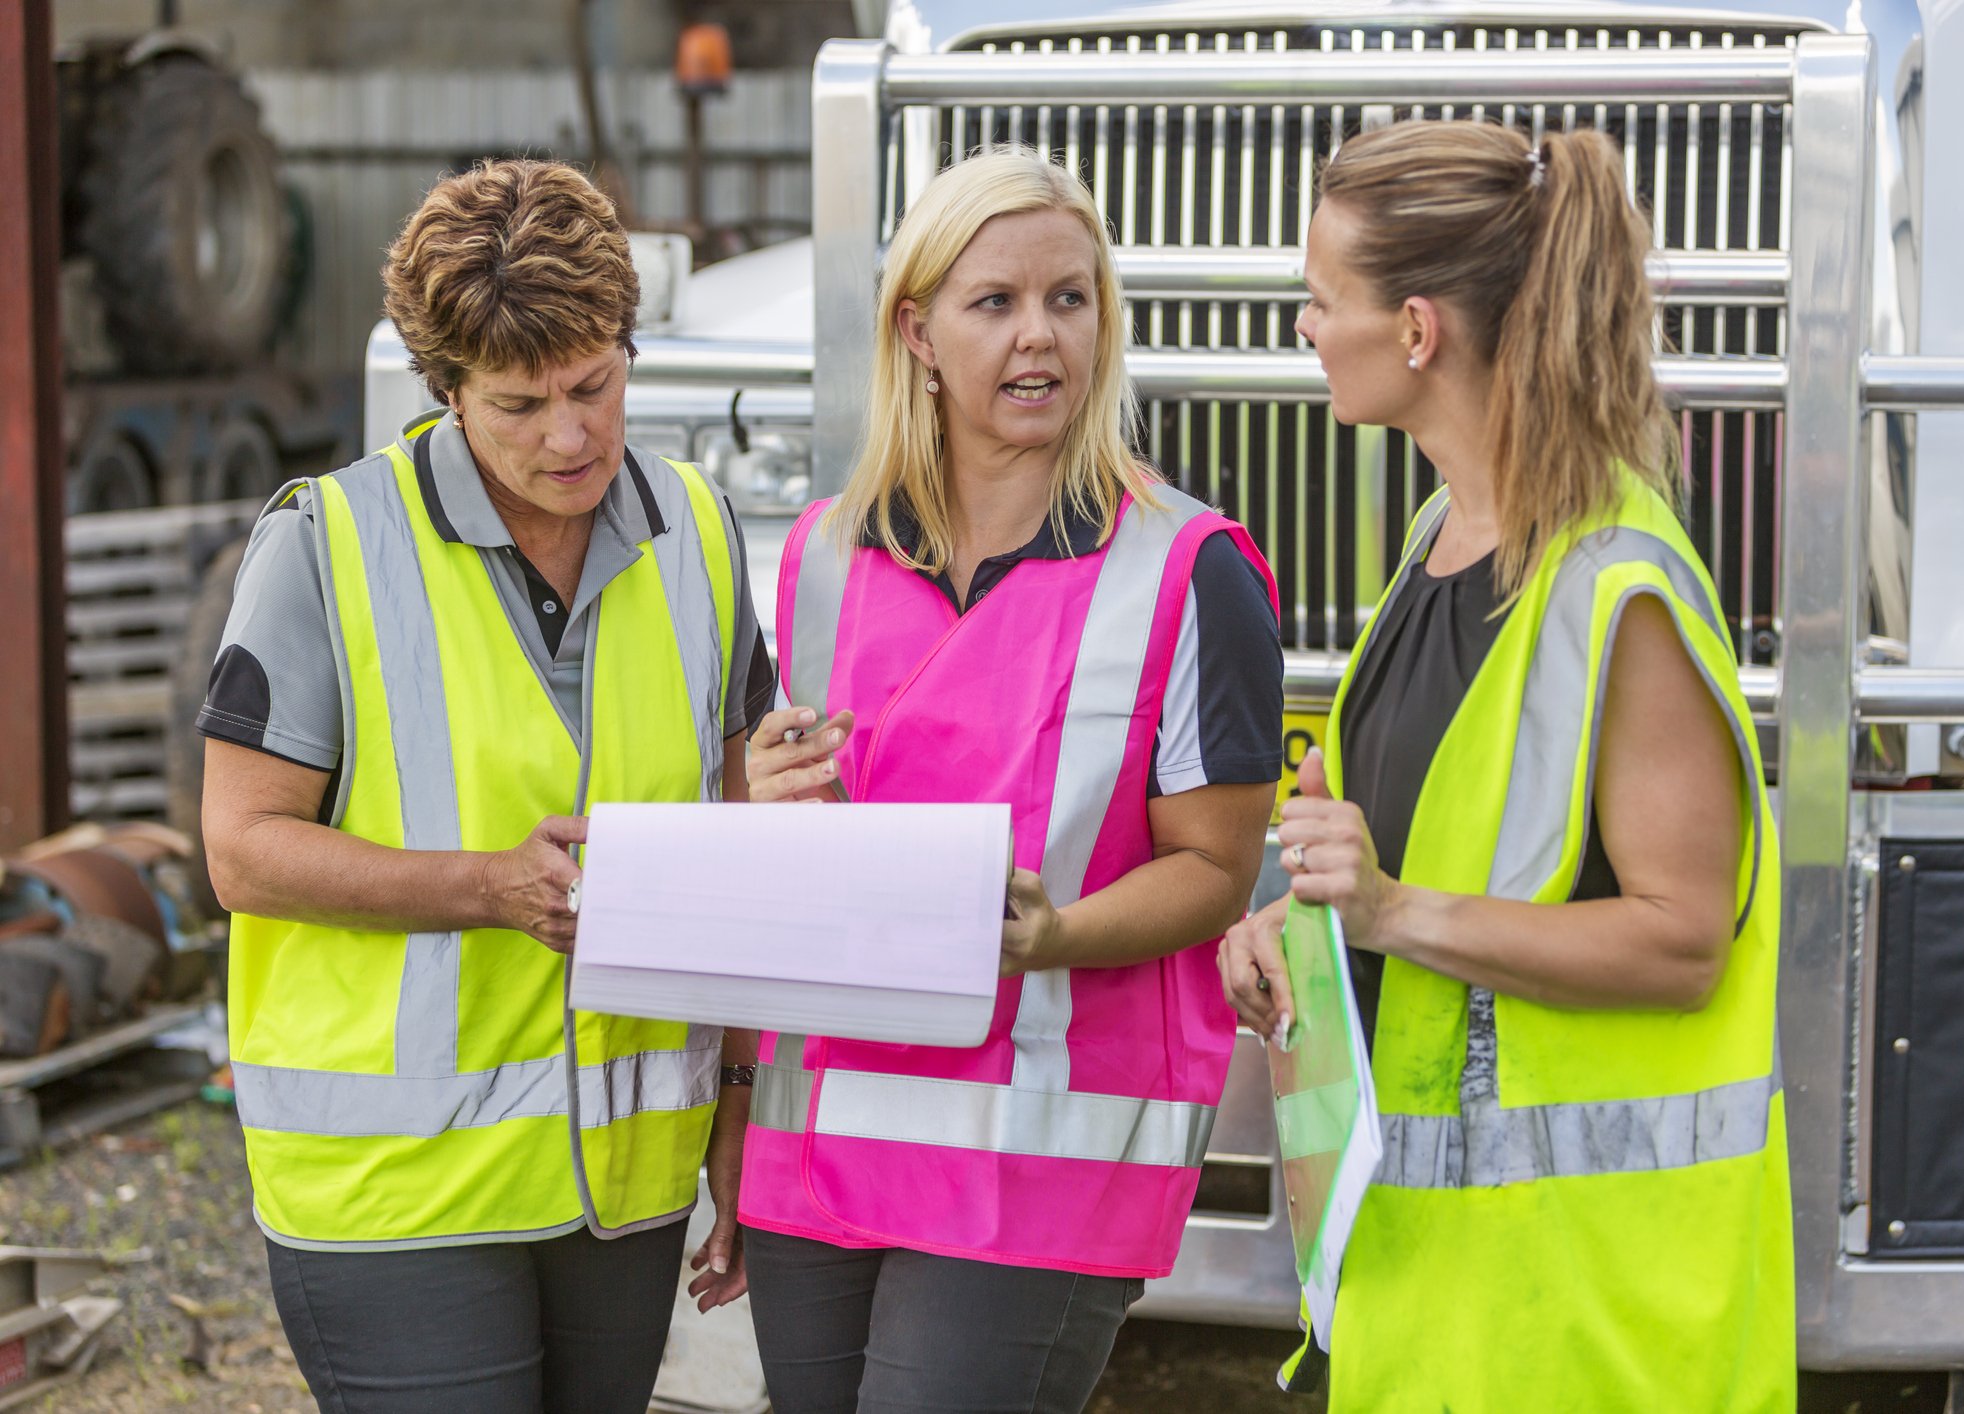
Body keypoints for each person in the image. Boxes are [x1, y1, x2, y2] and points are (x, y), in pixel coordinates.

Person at [1219, 121, 1794, 1411]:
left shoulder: (1617, 592)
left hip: (1585, 1329)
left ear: (1417, 331)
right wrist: (1298, 923)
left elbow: (1681, 938)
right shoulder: (1440, 540)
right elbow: (1425, 872)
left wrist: (1388, 911)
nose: (1307, 329)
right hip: (1442, 1305)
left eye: (1321, 302)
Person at [198, 158, 769, 1414]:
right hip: (393, 1193)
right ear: (444, 389)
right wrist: (488, 887)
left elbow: (744, 847)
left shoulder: (703, 536)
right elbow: (243, 852)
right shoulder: (325, 545)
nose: (569, 436)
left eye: (595, 385)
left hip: (621, 1187)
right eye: (519, 404)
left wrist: (740, 1111)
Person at [727, 148, 1285, 1413]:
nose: (1041, 337)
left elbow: (1216, 864)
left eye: (1070, 300)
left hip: (1040, 1164)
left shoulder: (1189, 568)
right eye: (997, 304)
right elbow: (782, 859)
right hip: (821, 1149)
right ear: (917, 331)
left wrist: (1062, 934)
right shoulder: (821, 555)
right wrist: (752, 796)